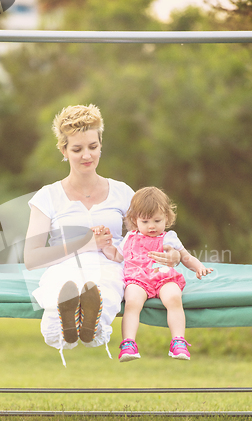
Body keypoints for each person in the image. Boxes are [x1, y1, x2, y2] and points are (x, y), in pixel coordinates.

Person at [24, 105, 180, 366]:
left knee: (104, 285)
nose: (87, 155)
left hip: (112, 263)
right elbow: (32, 258)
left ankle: (89, 324)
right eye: (77, 149)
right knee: (66, 286)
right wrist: (85, 243)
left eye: (93, 146)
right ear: (63, 150)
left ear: (100, 145)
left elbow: (147, 239)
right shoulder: (47, 196)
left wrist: (171, 254)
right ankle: (69, 322)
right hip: (64, 265)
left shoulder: (122, 192)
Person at [99, 186, 214, 362]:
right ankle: (128, 343)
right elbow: (117, 256)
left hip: (163, 278)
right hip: (137, 279)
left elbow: (185, 257)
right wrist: (106, 246)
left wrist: (198, 267)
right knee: (132, 302)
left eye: (157, 220)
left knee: (174, 298)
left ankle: (178, 341)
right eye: (145, 222)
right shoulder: (130, 237)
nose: (151, 226)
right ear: (134, 220)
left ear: (166, 218)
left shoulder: (169, 237)